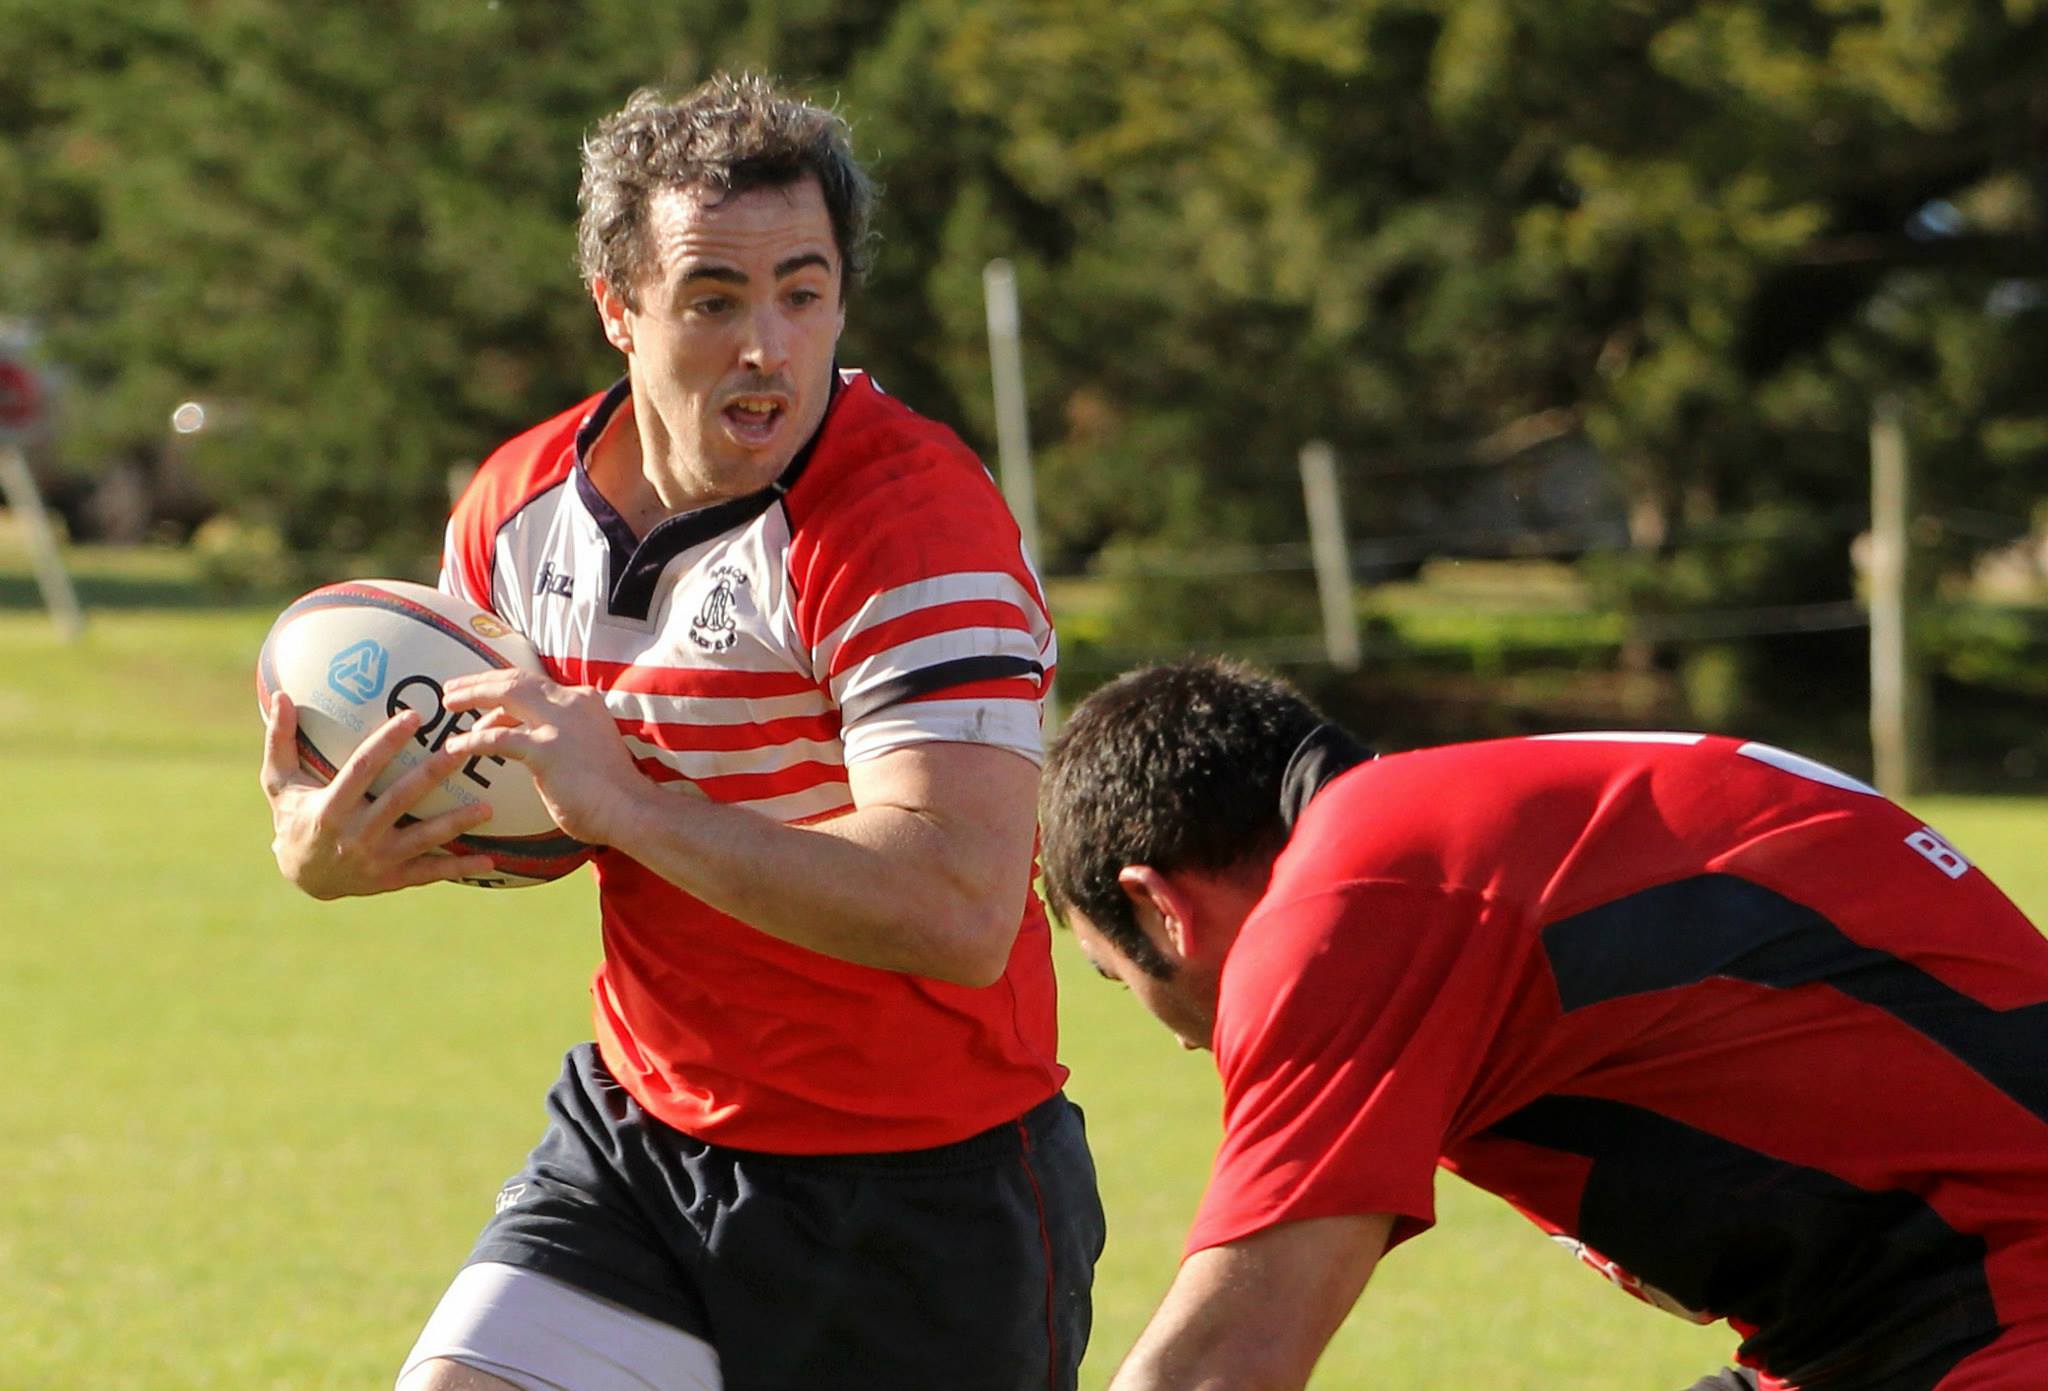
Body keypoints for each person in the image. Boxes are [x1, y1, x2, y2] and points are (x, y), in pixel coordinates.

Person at [258, 72, 1101, 1391]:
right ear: (618, 306)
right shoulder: (515, 512)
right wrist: (344, 836)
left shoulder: (911, 531)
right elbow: (518, 810)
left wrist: (633, 804)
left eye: (803, 291)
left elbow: (956, 903)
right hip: (645, 1140)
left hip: (922, 1190)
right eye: (713, 298)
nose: (765, 341)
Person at [1036, 656, 2048, 1391]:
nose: (1174, 1035)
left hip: (1992, 1318)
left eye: (1114, 970)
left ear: (1159, 904)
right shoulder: (1441, 831)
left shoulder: (1348, 898)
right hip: (1906, 1320)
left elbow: (1221, 1363)